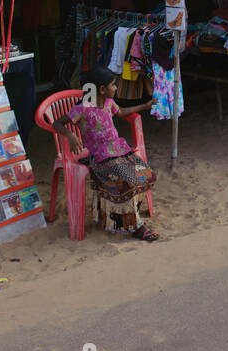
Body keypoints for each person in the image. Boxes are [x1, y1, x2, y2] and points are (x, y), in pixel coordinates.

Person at [57, 66, 160, 241]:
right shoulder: (82, 108)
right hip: (100, 158)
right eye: (113, 85)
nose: (116, 88)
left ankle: (119, 212)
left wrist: (144, 105)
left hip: (120, 151)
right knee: (126, 181)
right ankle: (135, 226)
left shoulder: (109, 103)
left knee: (147, 175)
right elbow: (57, 123)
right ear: (102, 89)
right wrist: (70, 135)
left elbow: (120, 113)